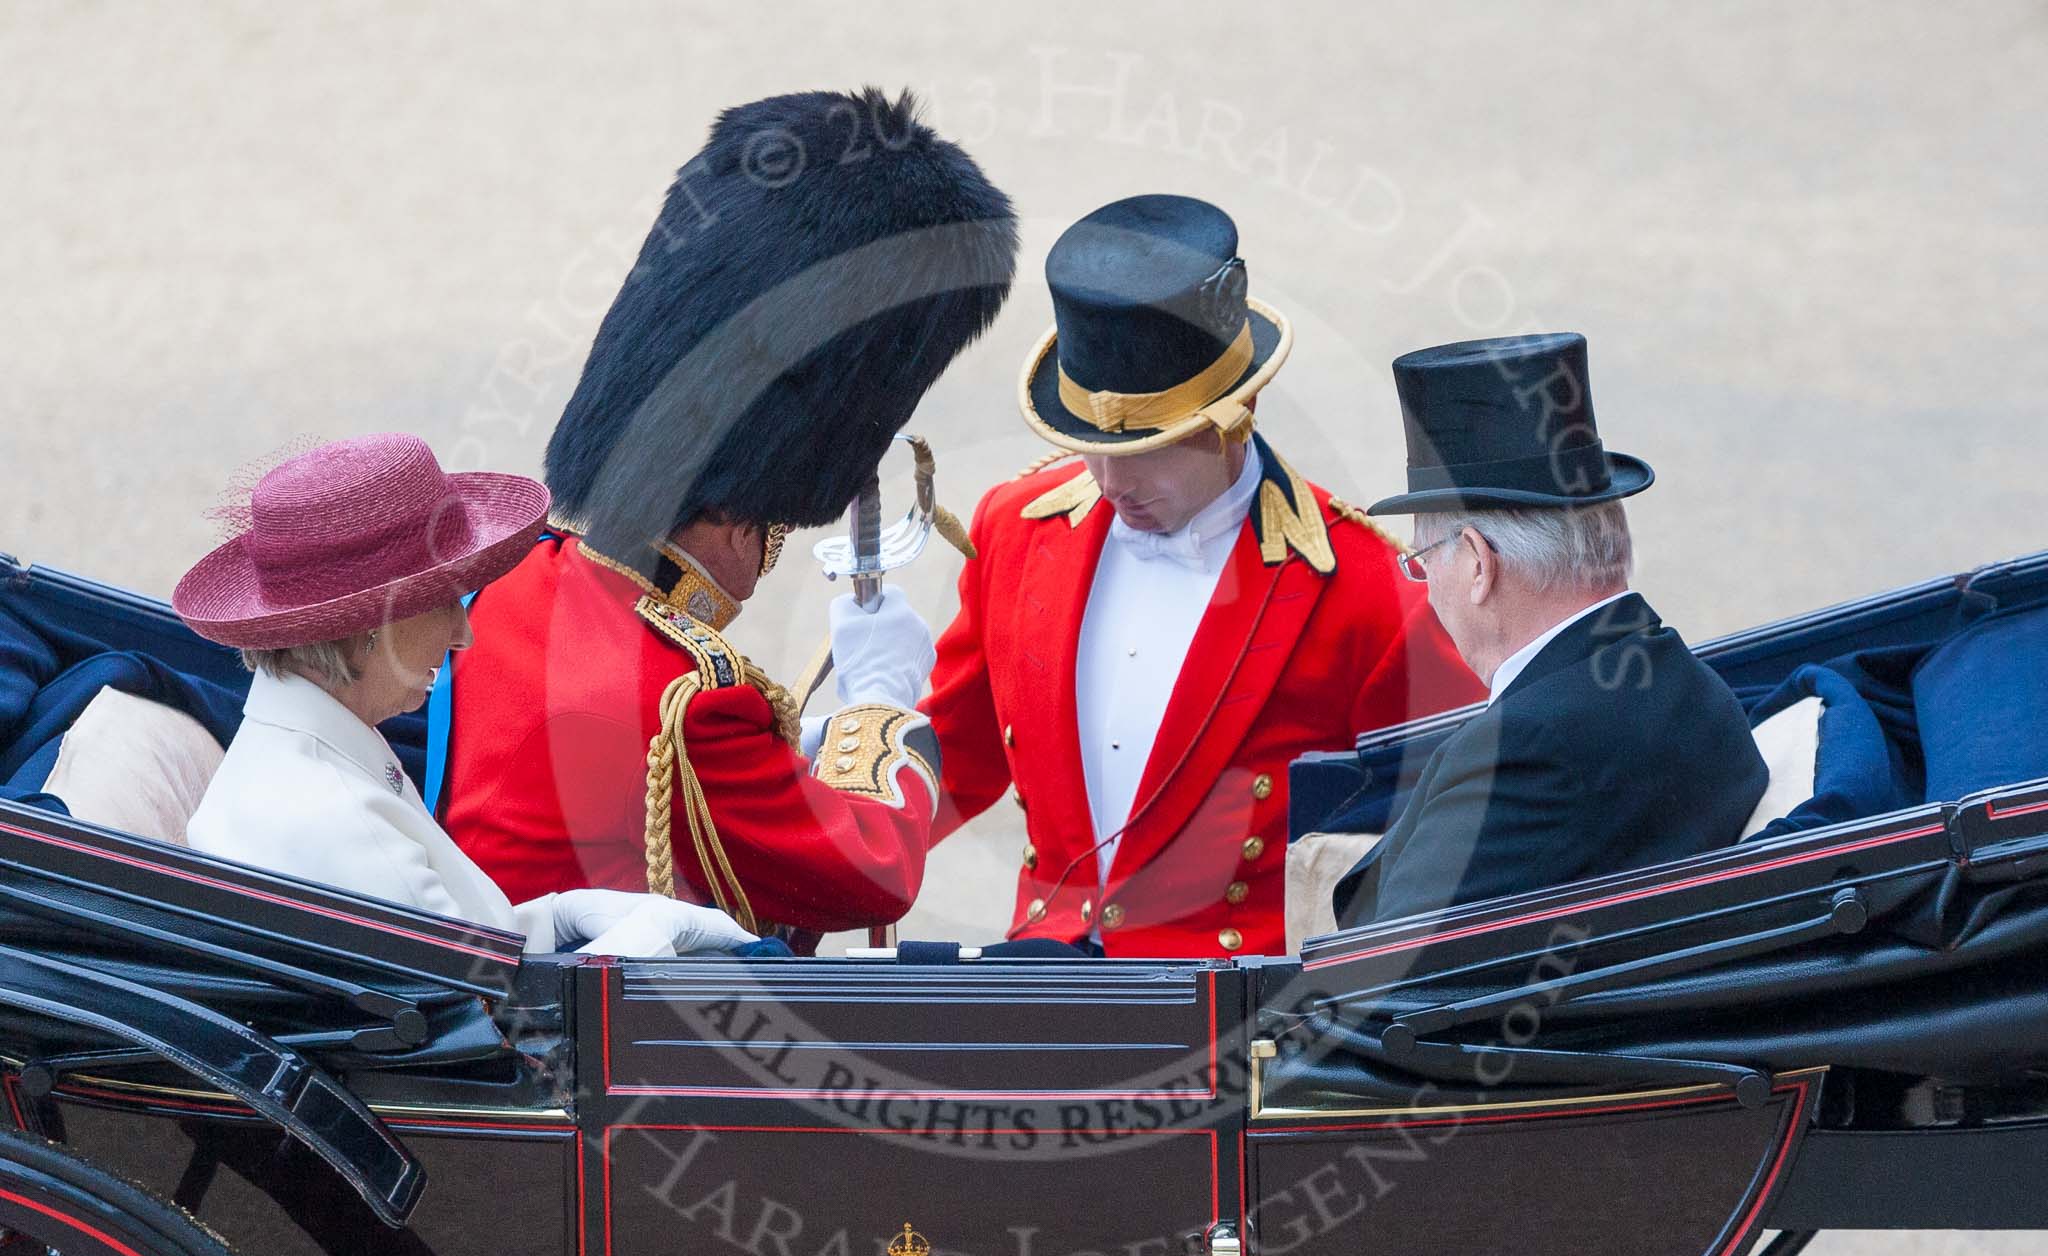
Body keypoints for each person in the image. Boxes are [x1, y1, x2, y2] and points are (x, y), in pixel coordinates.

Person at [439, 88, 1017, 954]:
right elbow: (872, 870)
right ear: (748, 517)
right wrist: (881, 709)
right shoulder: (689, 700)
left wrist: (798, 744)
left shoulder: (514, 580)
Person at [921, 194, 1483, 959]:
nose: (1112, 481)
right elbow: (948, 768)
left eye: (1152, 447)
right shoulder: (1014, 531)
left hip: (1235, 1026)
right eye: (1087, 443)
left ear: (1234, 411)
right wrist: (856, 752)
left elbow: (1454, 837)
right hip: (1043, 988)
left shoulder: (1370, 590)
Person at [172, 433, 757, 957]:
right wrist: (634, 946)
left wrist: (559, 915)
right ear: (371, 628)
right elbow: (494, 1020)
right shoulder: (334, 815)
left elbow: (450, 935)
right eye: (444, 602)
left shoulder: (311, 750)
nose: (463, 632)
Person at [1333, 333, 1768, 928]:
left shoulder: (1521, 756)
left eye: (1422, 561)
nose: (1426, 587)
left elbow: (1384, 985)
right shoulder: (1691, 685)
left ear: (1478, 565)